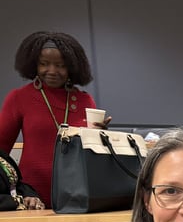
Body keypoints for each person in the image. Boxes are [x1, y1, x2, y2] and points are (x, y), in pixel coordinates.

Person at [0, 31, 111, 206]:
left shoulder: (85, 101)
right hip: (31, 198)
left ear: (72, 67)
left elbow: (92, 156)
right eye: (44, 64)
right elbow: (1, 151)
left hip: (78, 194)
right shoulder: (19, 98)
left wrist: (100, 137)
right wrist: (13, 192)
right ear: (34, 65)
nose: (52, 71)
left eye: (60, 65)